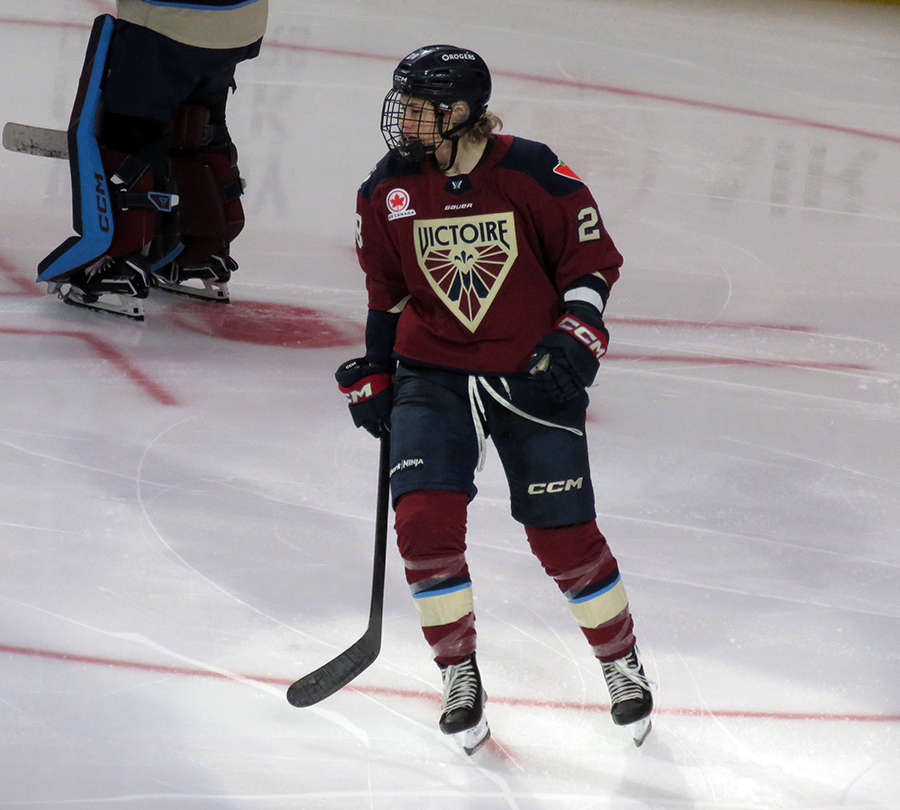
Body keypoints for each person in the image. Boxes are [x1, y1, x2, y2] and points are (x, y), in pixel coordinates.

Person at [336, 44, 653, 755]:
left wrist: (575, 338)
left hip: (530, 372)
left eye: (420, 106)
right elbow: (385, 295)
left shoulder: (531, 169)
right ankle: (459, 673)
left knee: (563, 535)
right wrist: (377, 369)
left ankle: (621, 663)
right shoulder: (387, 189)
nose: (405, 119)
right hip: (432, 375)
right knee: (421, 522)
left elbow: (591, 264)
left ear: (459, 111)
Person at [37, 0, 268, 319]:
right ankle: (199, 247)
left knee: (131, 127)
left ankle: (120, 257)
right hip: (242, 21)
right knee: (195, 123)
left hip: (168, 20)